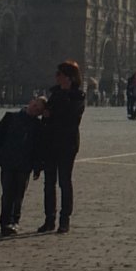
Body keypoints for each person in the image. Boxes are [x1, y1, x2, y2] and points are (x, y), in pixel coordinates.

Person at [0, 94, 45, 236]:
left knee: (19, 193)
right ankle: (4, 221)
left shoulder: (37, 126)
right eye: (35, 105)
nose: (35, 109)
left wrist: (38, 167)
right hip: (8, 161)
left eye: (39, 109)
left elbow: (39, 148)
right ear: (31, 102)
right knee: (7, 193)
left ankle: (14, 220)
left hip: (24, 165)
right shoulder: (10, 118)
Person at [41, 60, 86, 234]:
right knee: (49, 182)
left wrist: (52, 113)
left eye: (59, 74)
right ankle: (49, 219)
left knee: (64, 182)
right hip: (51, 141)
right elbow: (48, 116)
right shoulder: (55, 94)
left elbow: (72, 118)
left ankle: (64, 219)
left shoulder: (78, 96)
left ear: (68, 77)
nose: (56, 77)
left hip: (67, 143)